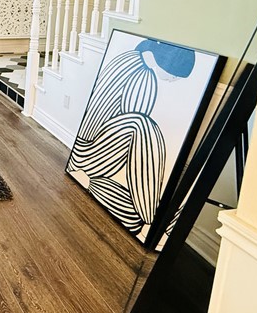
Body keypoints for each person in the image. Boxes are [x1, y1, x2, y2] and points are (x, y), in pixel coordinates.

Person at [67, 39, 196, 239]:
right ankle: (154, 214)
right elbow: (127, 132)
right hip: (90, 153)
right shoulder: (143, 75)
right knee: (142, 126)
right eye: (172, 76)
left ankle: (153, 211)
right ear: (163, 61)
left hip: (88, 150)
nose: (171, 80)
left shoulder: (130, 59)